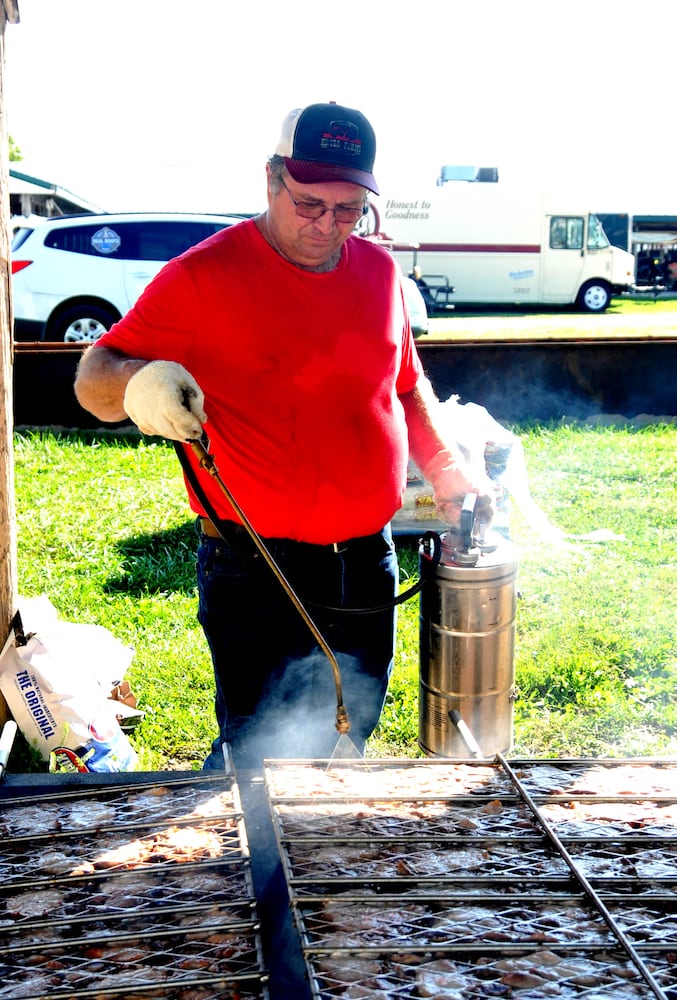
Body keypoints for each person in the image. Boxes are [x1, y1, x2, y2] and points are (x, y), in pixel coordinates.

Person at [74, 101, 495, 773]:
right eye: (308, 204)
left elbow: (405, 386)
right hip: (256, 565)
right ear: (270, 180)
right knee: (259, 750)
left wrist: (447, 468)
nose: (327, 226)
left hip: (366, 558)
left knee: (346, 732)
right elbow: (91, 379)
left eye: (348, 209)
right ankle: (236, 865)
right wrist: (140, 383)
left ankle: (321, 861)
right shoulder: (202, 277)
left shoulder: (379, 274)